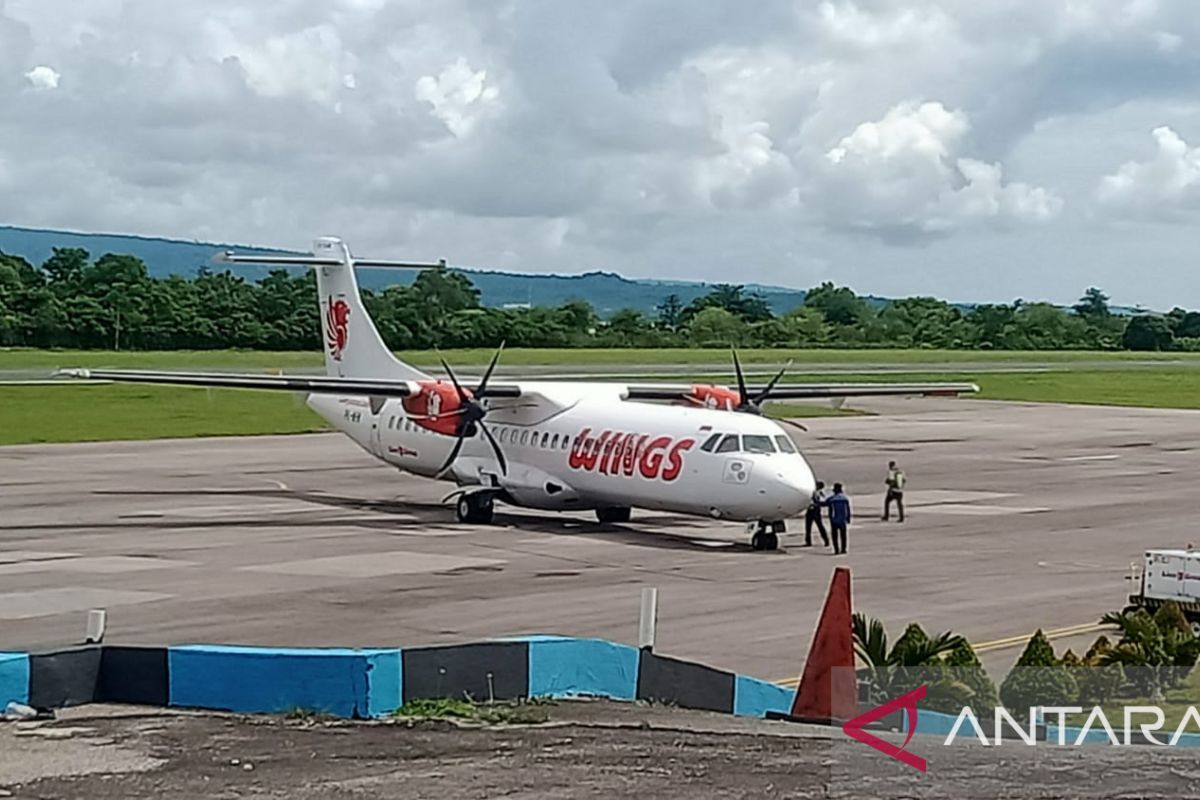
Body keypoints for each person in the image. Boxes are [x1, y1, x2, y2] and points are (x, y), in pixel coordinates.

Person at [827, 482, 852, 555]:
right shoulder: (845, 498)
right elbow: (848, 509)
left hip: (834, 519)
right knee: (843, 536)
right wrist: (848, 518)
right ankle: (844, 549)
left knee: (835, 536)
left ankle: (836, 550)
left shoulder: (832, 499)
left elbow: (823, 503)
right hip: (842, 519)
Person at [804, 481, 829, 547]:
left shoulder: (817, 493)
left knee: (815, 526)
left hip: (814, 510)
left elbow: (820, 501)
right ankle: (809, 541)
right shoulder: (818, 493)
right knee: (814, 526)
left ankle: (825, 540)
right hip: (814, 510)